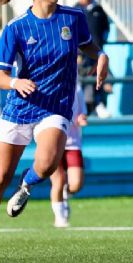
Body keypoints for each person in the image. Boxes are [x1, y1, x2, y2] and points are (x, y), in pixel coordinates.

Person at [0, 0, 109, 261]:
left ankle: (27, 184)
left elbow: (90, 47)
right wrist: (15, 82)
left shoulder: (73, 17)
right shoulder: (16, 28)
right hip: (19, 108)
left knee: (46, 164)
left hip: (55, 106)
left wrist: (102, 57)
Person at [49, 80, 88, 228]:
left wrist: (81, 118)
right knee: (58, 181)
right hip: (52, 142)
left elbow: (81, 113)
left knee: (76, 184)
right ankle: (60, 218)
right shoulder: (47, 83)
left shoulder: (76, 86)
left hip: (72, 142)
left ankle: (65, 195)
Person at [74, 0, 111, 117]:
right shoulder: (74, 10)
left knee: (99, 79)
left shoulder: (98, 10)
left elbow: (106, 29)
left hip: (96, 54)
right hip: (80, 56)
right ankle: (82, 111)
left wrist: (100, 46)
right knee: (80, 82)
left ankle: (98, 104)